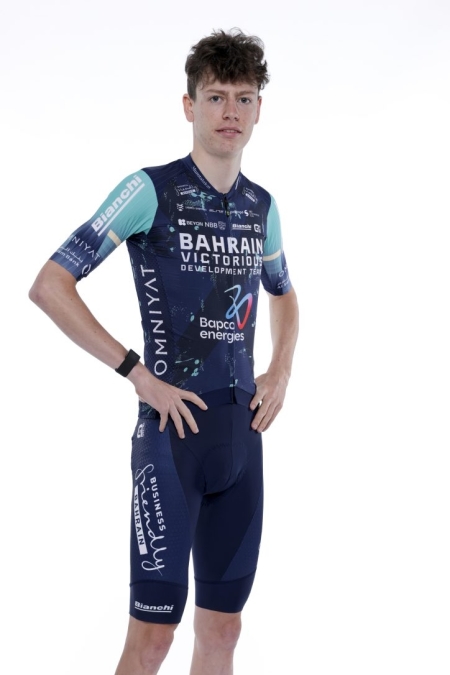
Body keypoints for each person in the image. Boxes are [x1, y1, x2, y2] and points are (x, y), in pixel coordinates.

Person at [29, 28, 299, 675]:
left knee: (224, 631)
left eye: (243, 98)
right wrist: (135, 373)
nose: (230, 111)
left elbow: (284, 293)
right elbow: (50, 284)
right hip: (171, 439)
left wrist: (280, 369)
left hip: (242, 439)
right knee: (153, 638)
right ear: (189, 105)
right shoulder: (149, 190)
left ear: (259, 109)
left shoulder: (261, 206)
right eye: (215, 97)